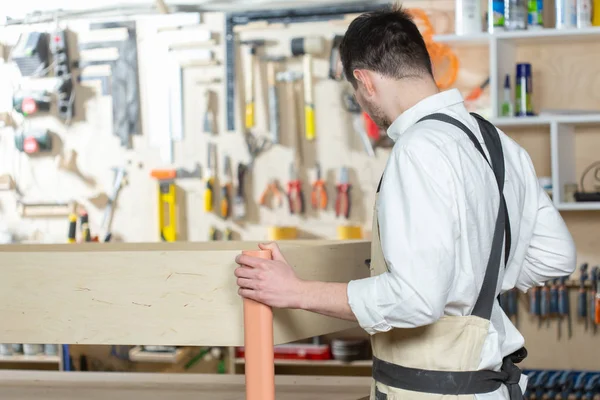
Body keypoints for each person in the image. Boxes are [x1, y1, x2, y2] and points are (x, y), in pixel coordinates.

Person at [234, 5, 576, 400]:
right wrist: (471, 286)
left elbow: (416, 299)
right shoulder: (499, 143)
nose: (362, 103)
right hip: (488, 386)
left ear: (364, 80)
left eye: (356, 92)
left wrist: (295, 292)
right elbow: (556, 256)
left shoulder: (417, 149)